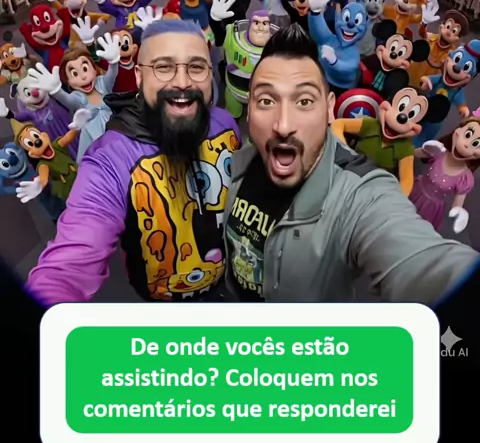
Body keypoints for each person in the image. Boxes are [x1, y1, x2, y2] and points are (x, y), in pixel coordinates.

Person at [223, 24, 479, 303]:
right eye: (266, 100)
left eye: (305, 101)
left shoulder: (360, 195)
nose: (283, 125)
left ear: (329, 108)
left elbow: (423, 262)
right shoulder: (240, 161)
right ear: (249, 110)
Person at [26, 20, 241, 306]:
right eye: (164, 67)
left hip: (227, 283)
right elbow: (66, 269)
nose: (182, 82)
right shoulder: (110, 158)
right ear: (139, 76)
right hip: (162, 301)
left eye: (196, 67)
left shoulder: (226, 125)